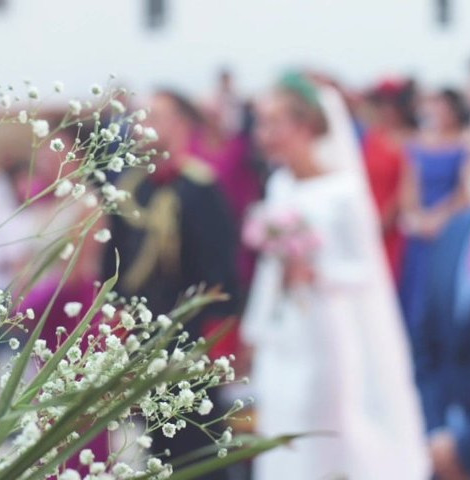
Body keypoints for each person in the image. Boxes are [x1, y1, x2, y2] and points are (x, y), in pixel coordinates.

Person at [241, 73, 429, 479]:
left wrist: (316, 269)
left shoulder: (343, 191)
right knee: (280, 414)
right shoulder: (279, 184)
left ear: (306, 126)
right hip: (284, 327)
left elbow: (364, 267)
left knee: (320, 423)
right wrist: (256, 328)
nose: (265, 134)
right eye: (262, 123)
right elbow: (268, 274)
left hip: (326, 328)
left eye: (275, 123)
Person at [103, 90, 239, 480]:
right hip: (143, 333)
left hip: (191, 337)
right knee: (153, 444)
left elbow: (221, 269)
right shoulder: (131, 187)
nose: (144, 125)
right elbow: (113, 259)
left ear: (181, 123)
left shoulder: (200, 187)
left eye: (156, 116)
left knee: (196, 444)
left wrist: (219, 336)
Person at [399, 88, 470, 332]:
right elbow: (410, 185)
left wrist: (439, 219)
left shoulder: (464, 142)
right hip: (420, 227)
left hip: (450, 226)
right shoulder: (418, 143)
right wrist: (416, 216)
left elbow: (464, 191)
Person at [415, 210, 470, 480]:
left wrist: (463, 448)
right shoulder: (455, 231)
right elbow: (426, 342)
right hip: (444, 442)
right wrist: (436, 430)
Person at [362, 78, 417, 281]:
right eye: (382, 105)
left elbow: (407, 186)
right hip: (367, 211)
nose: (387, 111)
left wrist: (386, 220)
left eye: (392, 106)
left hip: (393, 222)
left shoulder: (411, 139)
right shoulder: (371, 137)